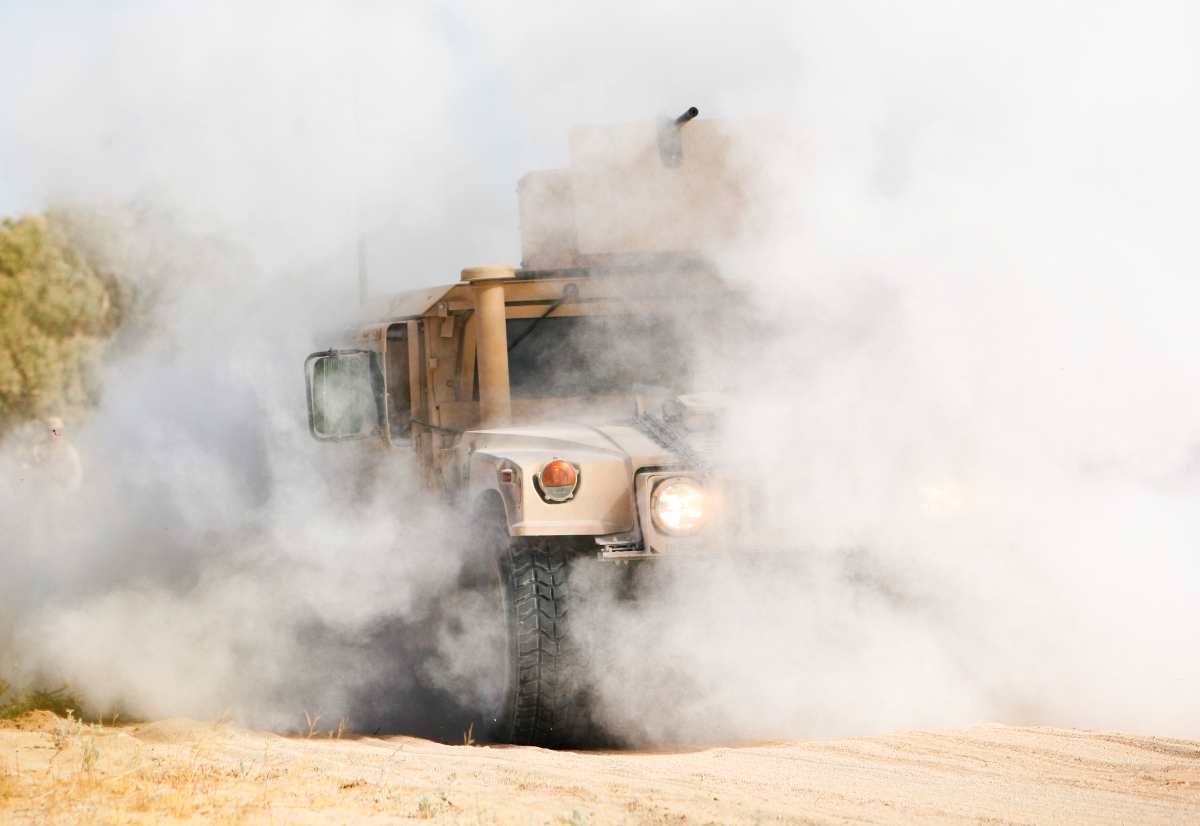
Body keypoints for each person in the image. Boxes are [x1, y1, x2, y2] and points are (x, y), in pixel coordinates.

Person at [28, 416, 84, 491]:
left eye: (56, 431)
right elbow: (30, 469)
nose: (53, 434)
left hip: (61, 492)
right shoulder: (38, 449)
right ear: (47, 432)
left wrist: (67, 489)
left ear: (61, 432)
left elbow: (76, 473)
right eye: (51, 431)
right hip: (40, 490)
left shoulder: (68, 450)